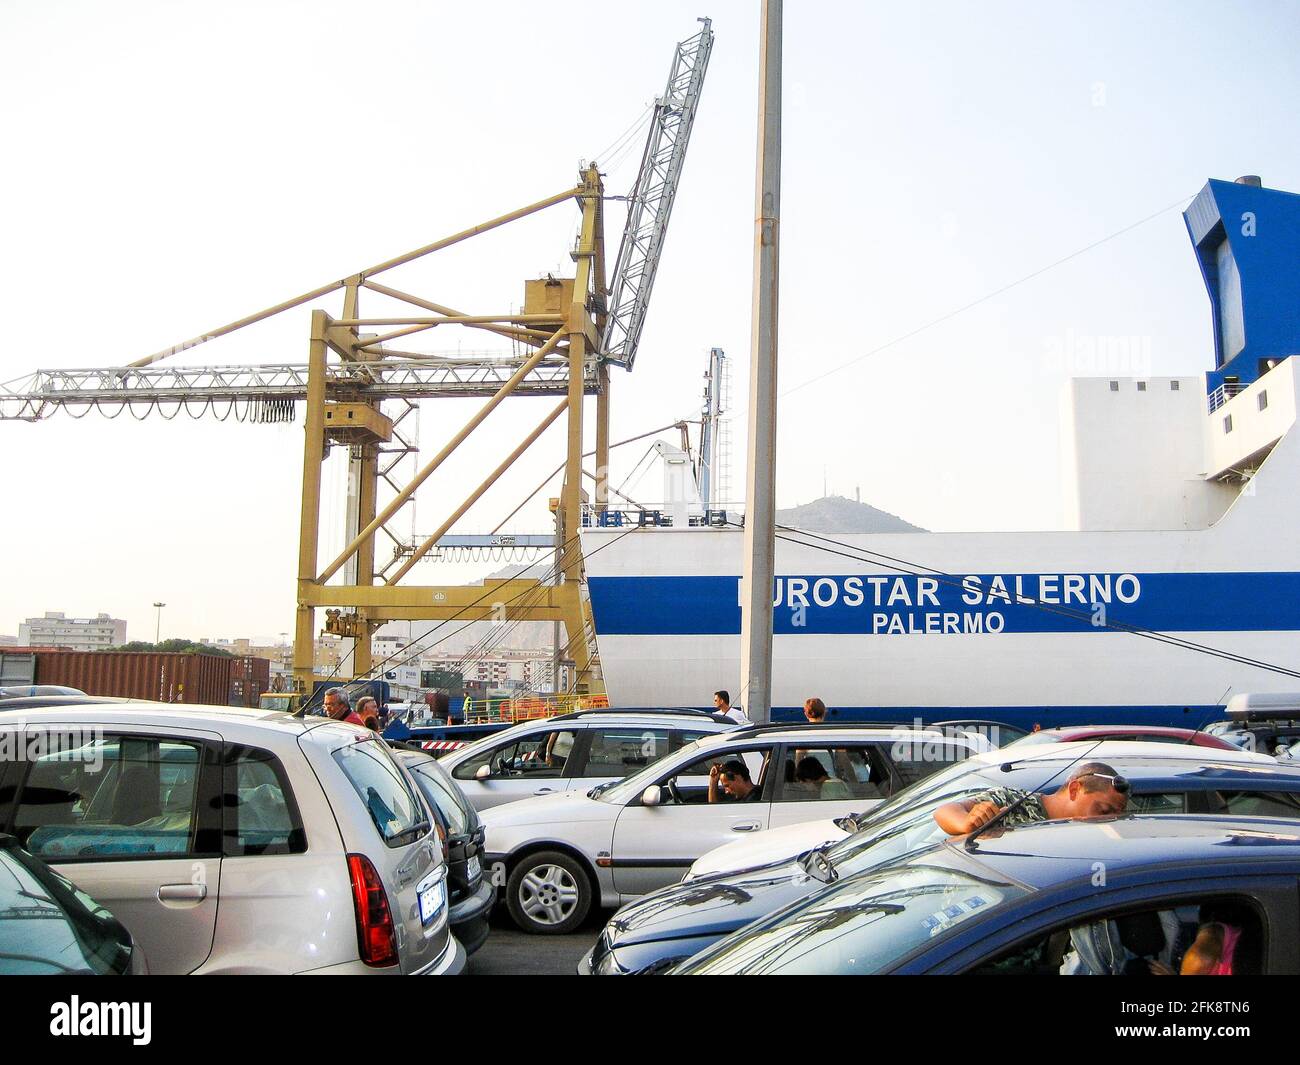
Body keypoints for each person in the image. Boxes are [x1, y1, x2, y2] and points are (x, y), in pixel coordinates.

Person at [932, 761, 1130, 836]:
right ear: (1074, 789)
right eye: (1103, 811)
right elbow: (944, 812)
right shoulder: (1013, 801)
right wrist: (968, 822)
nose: (1107, 820)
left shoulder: (1090, 836)